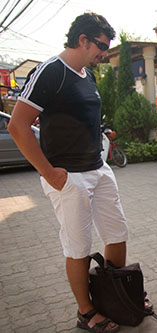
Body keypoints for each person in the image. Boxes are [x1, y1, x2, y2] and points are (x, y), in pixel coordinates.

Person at [8, 13, 126, 332]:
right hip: (68, 177)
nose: (104, 53)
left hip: (98, 170)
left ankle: (114, 296)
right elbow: (17, 126)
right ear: (82, 40)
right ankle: (86, 312)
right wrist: (49, 173)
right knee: (79, 249)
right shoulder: (50, 71)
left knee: (117, 235)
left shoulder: (87, 75)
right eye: (101, 45)